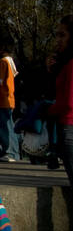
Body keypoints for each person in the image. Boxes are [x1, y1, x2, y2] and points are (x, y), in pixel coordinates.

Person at [46, 15, 73, 189]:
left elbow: (69, 101)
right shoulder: (65, 63)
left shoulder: (71, 65)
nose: (58, 40)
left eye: (62, 35)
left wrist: (49, 110)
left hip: (69, 125)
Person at [0, 39, 20, 162]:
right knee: (8, 126)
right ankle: (7, 151)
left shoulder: (3, 62)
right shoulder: (11, 61)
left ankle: (9, 152)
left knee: (4, 127)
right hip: (8, 99)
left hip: (2, 99)